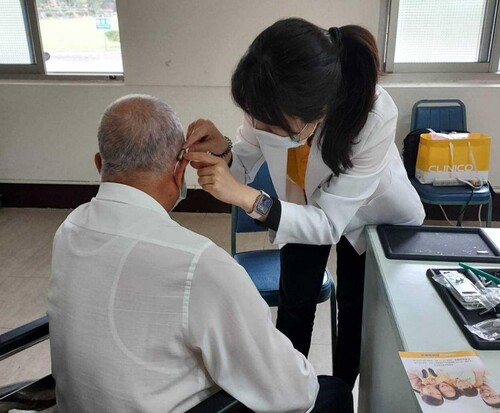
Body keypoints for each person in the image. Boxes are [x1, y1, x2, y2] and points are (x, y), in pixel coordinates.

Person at [47, 94, 353, 413]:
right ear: (181, 169)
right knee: (331, 392)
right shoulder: (197, 263)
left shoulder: (69, 230)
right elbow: (292, 391)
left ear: (100, 163)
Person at [183, 17, 425, 388]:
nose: (256, 126)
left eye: (268, 124)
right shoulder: (269, 98)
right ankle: (290, 390)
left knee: (354, 309)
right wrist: (222, 149)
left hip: (371, 214)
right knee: (296, 303)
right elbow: (245, 159)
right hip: (300, 206)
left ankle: (341, 391)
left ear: (315, 115)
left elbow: (328, 222)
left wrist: (250, 200)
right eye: (253, 118)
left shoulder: (375, 114)